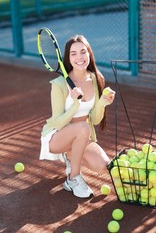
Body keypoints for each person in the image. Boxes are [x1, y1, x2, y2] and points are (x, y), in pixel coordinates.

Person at [39, 35, 115, 198]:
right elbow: (58, 124)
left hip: (82, 136)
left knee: (104, 167)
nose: (79, 57)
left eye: (83, 52)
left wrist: (102, 103)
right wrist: (75, 104)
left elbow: (94, 120)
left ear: (89, 54)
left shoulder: (96, 78)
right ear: (68, 58)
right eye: (73, 54)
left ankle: (71, 155)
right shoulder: (59, 84)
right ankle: (73, 178)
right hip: (57, 137)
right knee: (83, 127)